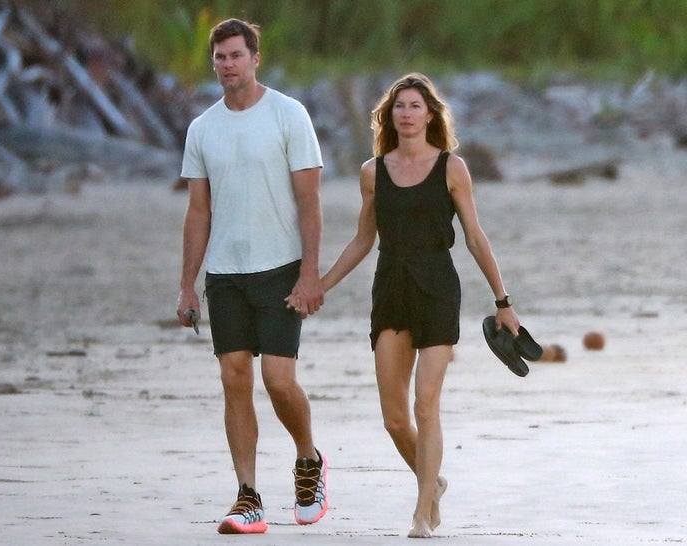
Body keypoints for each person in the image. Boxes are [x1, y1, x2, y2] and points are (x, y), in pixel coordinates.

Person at [296, 73, 521, 538]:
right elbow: (363, 239)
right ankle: (433, 483)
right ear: (389, 115)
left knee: (425, 406)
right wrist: (321, 284)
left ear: (430, 114)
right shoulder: (372, 172)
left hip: (438, 288)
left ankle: (422, 513)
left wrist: (503, 302)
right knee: (395, 417)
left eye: (415, 106)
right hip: (391, 289)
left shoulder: (452, 168)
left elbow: (476, 238)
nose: (407, 113)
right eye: (399, 106)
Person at [176, 18, 328, 535]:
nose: (227, 65)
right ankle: (248, 496)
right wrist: (186, 284)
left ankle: (309, 461)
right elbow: (198, 211)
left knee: (278, 381)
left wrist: (311, 275)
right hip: (225, 273)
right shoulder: (202, 129)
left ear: (255, 58)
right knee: (233, 377)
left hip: (281, 269)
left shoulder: (289, 115)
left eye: (236, 55)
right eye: (219, 57)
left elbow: (310, 202)